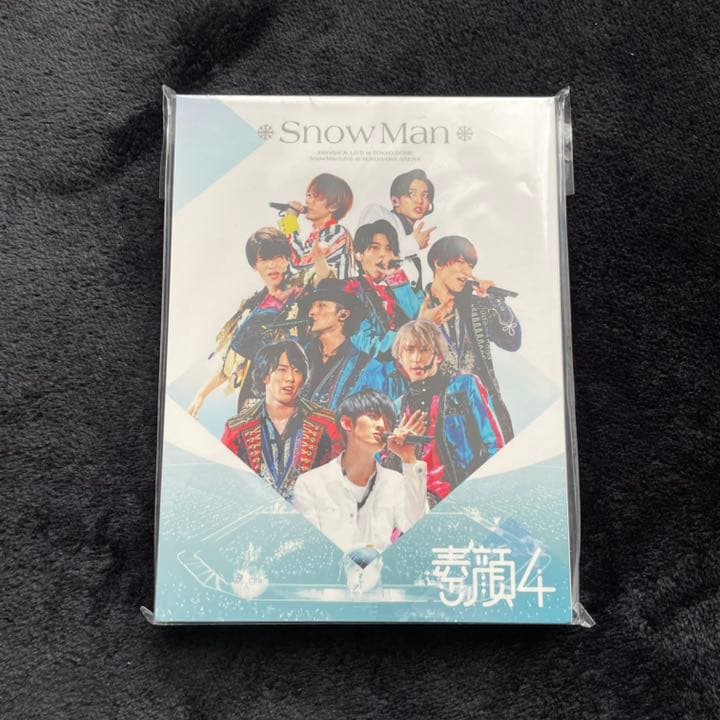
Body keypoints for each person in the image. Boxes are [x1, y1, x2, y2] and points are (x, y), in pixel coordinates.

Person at [188, 227, 331, 417]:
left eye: (277, 257)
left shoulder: (302, 287)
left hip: (299, 388)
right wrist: (202, 394)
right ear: (255, 265)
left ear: (287, 259)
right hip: (257, 395)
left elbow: (325, 282)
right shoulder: (252, 308)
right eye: (264, 259)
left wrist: (319, 258)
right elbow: (232, 363)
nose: (272, 265)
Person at [293, 390, 428, 560]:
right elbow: (309, 550)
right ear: (347, 423)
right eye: (373, 416)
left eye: (388, 422)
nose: (382, 425)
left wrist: (409, 459)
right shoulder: (310, 484)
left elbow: (417, 527)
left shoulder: (395, 482)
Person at [387, 320, 505, 506]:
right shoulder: (396, 408)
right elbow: (386, 474)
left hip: (467, 498)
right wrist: (396, 450)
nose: (416, 358)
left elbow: (494, 444)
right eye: (409, 350)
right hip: (419, 505)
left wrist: (486, 495)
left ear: (438, 356)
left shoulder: (465, 386)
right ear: (400, 358)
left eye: (424, 350)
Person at [424, 235, 521, 440]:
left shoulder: (476, 306)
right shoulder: (415, 305)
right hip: (440, 420)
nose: (467, 272)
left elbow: (512, 341)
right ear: (438, 262)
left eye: (470, 266)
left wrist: (493, 300)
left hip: (485, 415)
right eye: (460, 262)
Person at [221, 340, 342, 500]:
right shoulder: (237, 429)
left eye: (297, 371)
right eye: (282, 370)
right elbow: (223, 483)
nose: (290, 378)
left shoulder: (327, 424)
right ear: (265, 376)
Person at [344, 219, 427, 361]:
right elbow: (371, 345)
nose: (383, 254)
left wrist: (396, 277)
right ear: (358, 254)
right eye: (375, 248)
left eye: (389, 249)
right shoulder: (349, 291)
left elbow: (417, 318)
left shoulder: (405, 287)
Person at [300, 279, 373, 411]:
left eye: (321, 305)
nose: (311, 312)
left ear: (343, 314)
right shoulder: (299, 355)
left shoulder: (365, 365)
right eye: (312, 306)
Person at [358, 168, 437, 286]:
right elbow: (369, 256)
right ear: (395, 200)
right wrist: (413, 243)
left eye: (425, 195)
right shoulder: (378, 213)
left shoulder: (411, 234)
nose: (420, 200)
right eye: (412, 194)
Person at [278, 173, 354, 279]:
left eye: (316, 197)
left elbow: (299, 265)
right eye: (309, 195)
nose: (308, 201)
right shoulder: (318, 234)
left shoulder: (336, 232)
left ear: (333, 206)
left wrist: (290, 220)